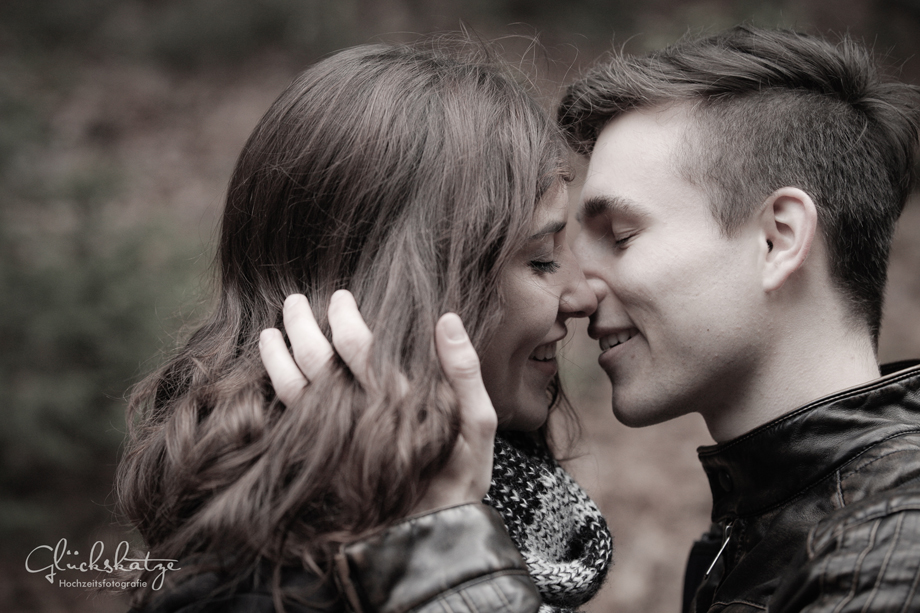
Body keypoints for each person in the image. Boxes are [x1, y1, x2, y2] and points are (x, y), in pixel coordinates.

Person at [279, 25, 920, 613]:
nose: (578, 296)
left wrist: (438, 547)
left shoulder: (890, 550)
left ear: (778, 239)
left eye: (619, 235)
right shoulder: (768, 529)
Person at [115, 41, 612, 613]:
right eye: (543, 257)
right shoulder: (258, 587)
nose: (583, 294)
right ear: (415, 291)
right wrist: (443, 549)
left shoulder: (492, 491)